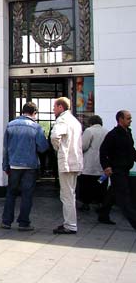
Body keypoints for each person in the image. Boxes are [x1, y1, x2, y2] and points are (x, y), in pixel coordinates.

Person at [0, 102, 49, 231]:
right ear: (34, 113)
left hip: (14, 164)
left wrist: (5, 165)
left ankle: (6, 221)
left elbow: (5, 148)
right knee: (27, 195)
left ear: (23, 111)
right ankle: (23, 223)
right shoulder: (36, 127)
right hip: (30, 165)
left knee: (11, 193)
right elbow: (43, 147)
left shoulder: (10, 125)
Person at [50, 97, 83, 234]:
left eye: (54, 107)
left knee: (67, 195)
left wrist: (58, 149)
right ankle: (70, 223)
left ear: (60, 107)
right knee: (71, 193)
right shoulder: (75, 121)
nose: (53, 110)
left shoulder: (62, 120)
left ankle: (70, 225)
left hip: (66, 162)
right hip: (76, 161)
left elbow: (54, 136)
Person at [98, 110, 136, 229]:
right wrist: (106, 166)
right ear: (120, 119)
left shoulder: (127, 133)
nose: (130, 120)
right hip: (117, 169)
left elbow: (131, 150)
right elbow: (103, 151)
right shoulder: (113, 134)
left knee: (113, 192)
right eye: (128, 118)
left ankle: (103, 214)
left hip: (124, 169)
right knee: (124, 197)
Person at [79, 115, 108, 212]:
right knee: (100, 184)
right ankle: (100, 203)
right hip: (102, 165)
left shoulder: (89, 131)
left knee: (87, 185)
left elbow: (83, 146)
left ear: (91, 122)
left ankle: (86, 203)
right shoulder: (106, 131)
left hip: (90, 164)